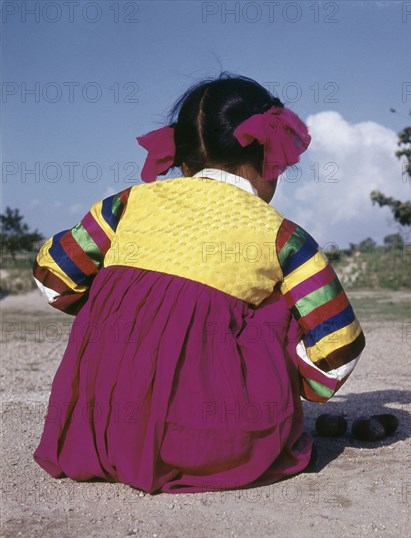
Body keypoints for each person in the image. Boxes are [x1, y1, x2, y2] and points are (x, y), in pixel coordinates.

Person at [32, 73, 365, 494]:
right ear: (270, 159)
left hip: (96, 434)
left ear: (181, 159)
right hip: (209, 445)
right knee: (278, 302)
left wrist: (128, 303)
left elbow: (53, 281)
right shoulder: (282, 236)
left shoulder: (128, 203)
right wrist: (289, 385)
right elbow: (338, 349)